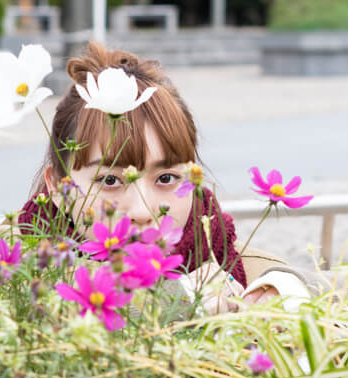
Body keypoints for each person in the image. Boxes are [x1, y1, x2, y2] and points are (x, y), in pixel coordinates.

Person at [18, 42, 306, 308]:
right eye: (109, 180)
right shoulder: (7, 276)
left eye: (166, 178)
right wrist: (177, 301)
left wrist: (287, 289)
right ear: (56, 186)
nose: (142, 211)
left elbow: (339, 296)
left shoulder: (244, 271)